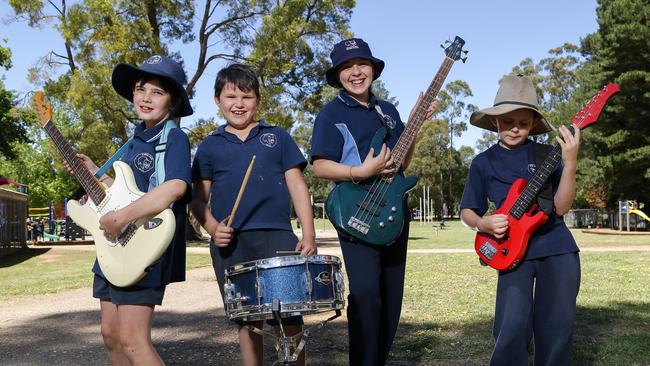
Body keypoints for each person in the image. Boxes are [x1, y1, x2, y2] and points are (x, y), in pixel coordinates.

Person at [310, 38, 436, 366]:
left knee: (391, 298)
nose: (356, 72)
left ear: (373, 70)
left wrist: (414, 125)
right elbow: (320, 165)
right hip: (357, 213)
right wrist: (359, 170)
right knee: (366, 294)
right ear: (337, 75)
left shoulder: (388, 111)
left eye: (362, 65)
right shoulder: (331, 113)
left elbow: (400, 162)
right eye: (347, 67)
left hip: (393, 212)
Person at [66, 55, 193, 365]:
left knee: (133, 341)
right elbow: (127, 192)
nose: (145, 97)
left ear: (173, 102)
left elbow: (175, 186)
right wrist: (96, 173)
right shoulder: (134, 141)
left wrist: (122, 217)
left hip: (145, 246)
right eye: (140, 89)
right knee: (111, 336)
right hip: (115, 245)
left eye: (157, 92)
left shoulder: (174, 138)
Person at [191, 63, 316, 366]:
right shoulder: (208, 147)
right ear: (218, 100)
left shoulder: (278, 137)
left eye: (246, 97)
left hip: (277, 237)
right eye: (231, 96)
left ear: (258, 100)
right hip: (232, 244)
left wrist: (309, 233)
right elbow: (197, 198)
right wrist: (210, 226)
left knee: (289, 318)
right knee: (248, 320)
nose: (239, 104)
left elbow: (298, 187)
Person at [459, 74, 581, 365]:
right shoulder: (482, 162)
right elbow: (467, 211)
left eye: (523, 123)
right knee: (511, 325)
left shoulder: (547, 155)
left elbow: (561, 208)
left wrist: (571, 163)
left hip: (557, 247)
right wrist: (483, 224)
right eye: (508, 121)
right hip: (513, 251)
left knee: (557, 325)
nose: (515, 129)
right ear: (495, 122)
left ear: (533, 125)